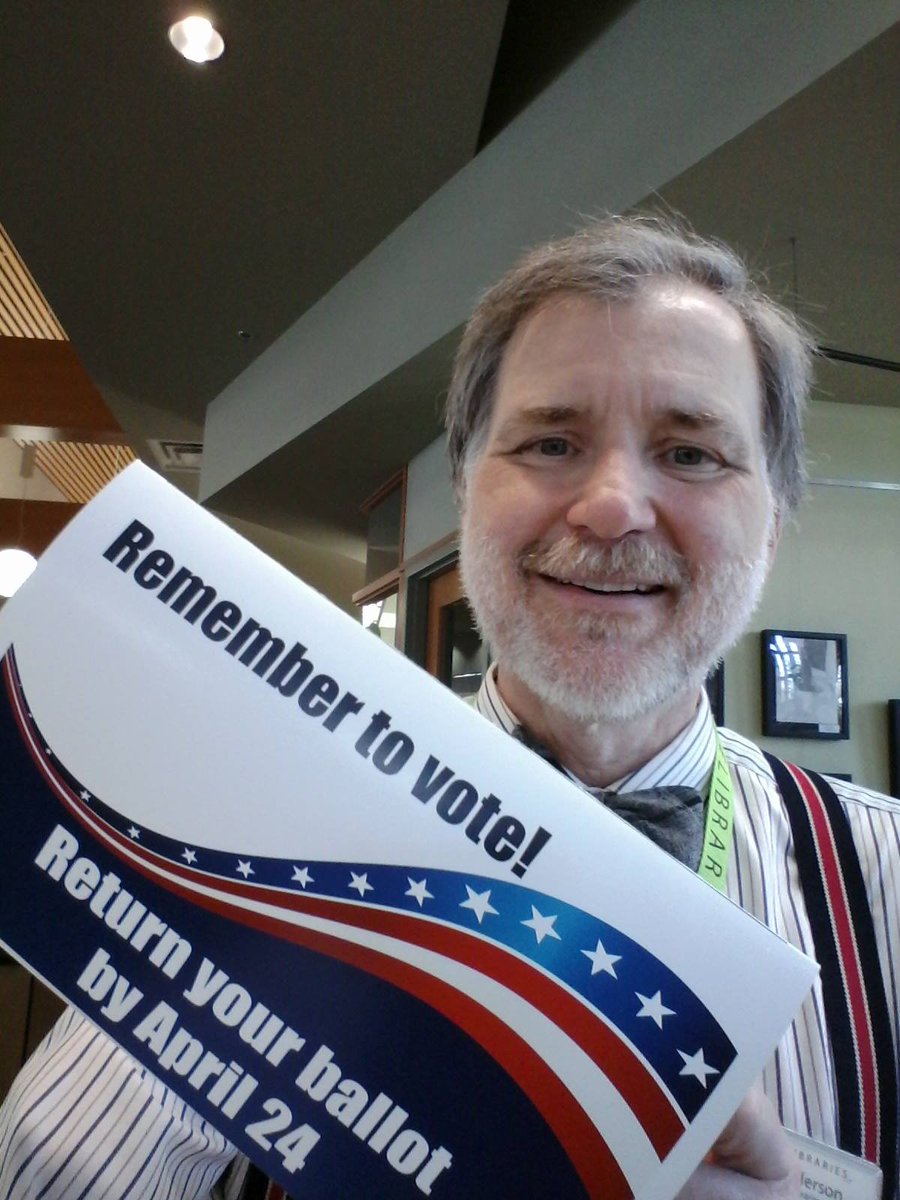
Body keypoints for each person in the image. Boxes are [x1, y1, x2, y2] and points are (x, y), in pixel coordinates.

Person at [1, 216, 897, 1198]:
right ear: (468, 493)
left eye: (691, 454)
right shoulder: (248, 838)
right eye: (551, 440)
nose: (610, 506)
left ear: (774, 525)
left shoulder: (889, 882)